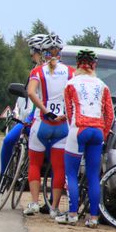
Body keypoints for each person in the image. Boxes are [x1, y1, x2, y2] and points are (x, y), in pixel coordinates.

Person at [57, 49, 114, 227]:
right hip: (97, 131)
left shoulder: (71, 84)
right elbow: (110, 115)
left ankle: (72, 214)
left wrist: (72, 131)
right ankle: (94, 217)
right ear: (94, 65)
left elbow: (68, 112)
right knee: (92, 176)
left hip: (78, 129)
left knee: (72, 174)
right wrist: (103, 134)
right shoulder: (103, 85)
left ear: (77, 65)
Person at [24, 34, 74, 217]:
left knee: (35, 164)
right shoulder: (70, 72)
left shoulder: (38, 71)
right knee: (59, 167)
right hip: (63, 125)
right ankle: (54, 208)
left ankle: (34, 203)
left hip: (42, 123)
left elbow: (30, 92)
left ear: (43, 53)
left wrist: (45, 110)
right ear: (60, 52)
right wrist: (66, 114)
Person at [0, 34, 48, 191]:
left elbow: (33, 97)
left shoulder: (41, 72)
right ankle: (4, 177)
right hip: (41, 118)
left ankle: (4, 177)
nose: (31, 55)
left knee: (9, 141)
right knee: (9, 140)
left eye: (33, 51)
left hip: (38, 119)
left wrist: (30, 117)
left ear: (39, 51)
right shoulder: (37, 70)